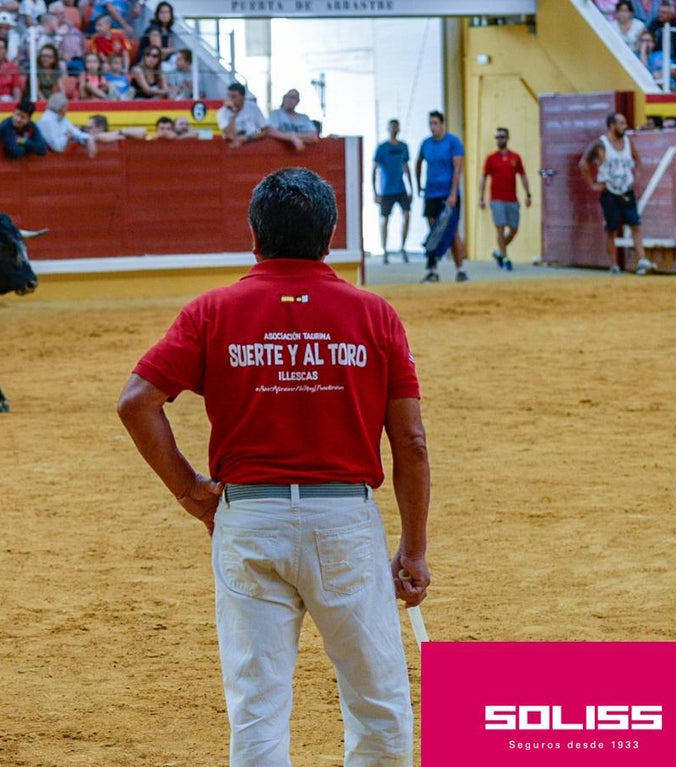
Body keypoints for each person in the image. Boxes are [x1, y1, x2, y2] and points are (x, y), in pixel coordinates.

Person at [117, 166, 429, 767]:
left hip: (248, 519)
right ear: (331, 234)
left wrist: (189, 491)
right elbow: (410, 440)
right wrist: (413, 548)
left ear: (253, 236)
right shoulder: (374, 315)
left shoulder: (212, 312)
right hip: (343, 521)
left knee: (257, 705)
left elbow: (137, 403)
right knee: (378, 700)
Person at [578, 111, 655, 275]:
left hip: (626, 189)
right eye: (621, 123)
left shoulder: (628, 142)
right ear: (612, 125)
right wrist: (592, 184)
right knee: (611, 228)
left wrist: (637, 178)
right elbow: (583, 163)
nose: (625, 126)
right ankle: (613, 265)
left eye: (625, 123)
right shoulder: (600, 144)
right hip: (610, 191)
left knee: (635, 224)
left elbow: (638, 161)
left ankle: (641, 260)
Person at [415, 110, 468, 283]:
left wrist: (453, 193)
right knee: (434, 233)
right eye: (430, 124)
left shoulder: (453, 142)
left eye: (435, 123)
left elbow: (458, 168)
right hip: (431, 193)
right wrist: (418, 186)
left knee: (452, 233)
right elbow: (418, 162)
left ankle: (460, 269)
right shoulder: (426, 144)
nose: (433, 127)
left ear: (442, 124)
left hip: (448, 195)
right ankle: (433, 271)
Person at [478, 126, 532, 271]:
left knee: (514, 229)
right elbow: (483, 178)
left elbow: (523, 176)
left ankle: (499, 252)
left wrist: (528, 194)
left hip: (512, 199)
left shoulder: (515, 157)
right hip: (497, 199)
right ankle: (506, 258)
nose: (499, 139)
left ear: (507, 138)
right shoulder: (491, 158)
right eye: (497, 137)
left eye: (502, 137)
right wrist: (481, 197)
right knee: (500, 228)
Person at [372, 119, 412, 265]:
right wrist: (375, 192)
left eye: (396, 127)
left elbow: (406, 167)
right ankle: (385, 250)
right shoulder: (382, 148)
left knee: (407, 215)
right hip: (386, 190)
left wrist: (411, 188)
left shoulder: (403, 147)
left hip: (401, 188)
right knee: (385, 219)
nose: (394, 129)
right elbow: (374, 169)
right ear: (387, 129)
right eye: (392, 127)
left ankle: (403, 247)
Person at [216, 82, 270, 148]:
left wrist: (247, 138)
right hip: (234, 149)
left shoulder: (253, 107)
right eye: (228, 96)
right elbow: (230, 136)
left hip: (253, 145)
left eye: (233, 97)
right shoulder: (222, 112)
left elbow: (266, 130)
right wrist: (234, 114)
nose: (230, 100)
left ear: (243, 98)